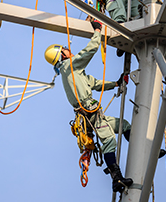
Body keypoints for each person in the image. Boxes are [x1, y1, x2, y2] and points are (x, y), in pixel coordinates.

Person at [44, 19, 133, 193]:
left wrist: (116, 83)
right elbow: (90, 50)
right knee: (108, 140)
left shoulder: (72, 72)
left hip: (90, 112)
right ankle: (117, 178)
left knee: (123, 125)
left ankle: (141, 151)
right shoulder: (70, 65)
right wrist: (97, 30)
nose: (68, 49)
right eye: (64, 49)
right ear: (61, 55)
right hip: (89, 111)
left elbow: (94, 83)